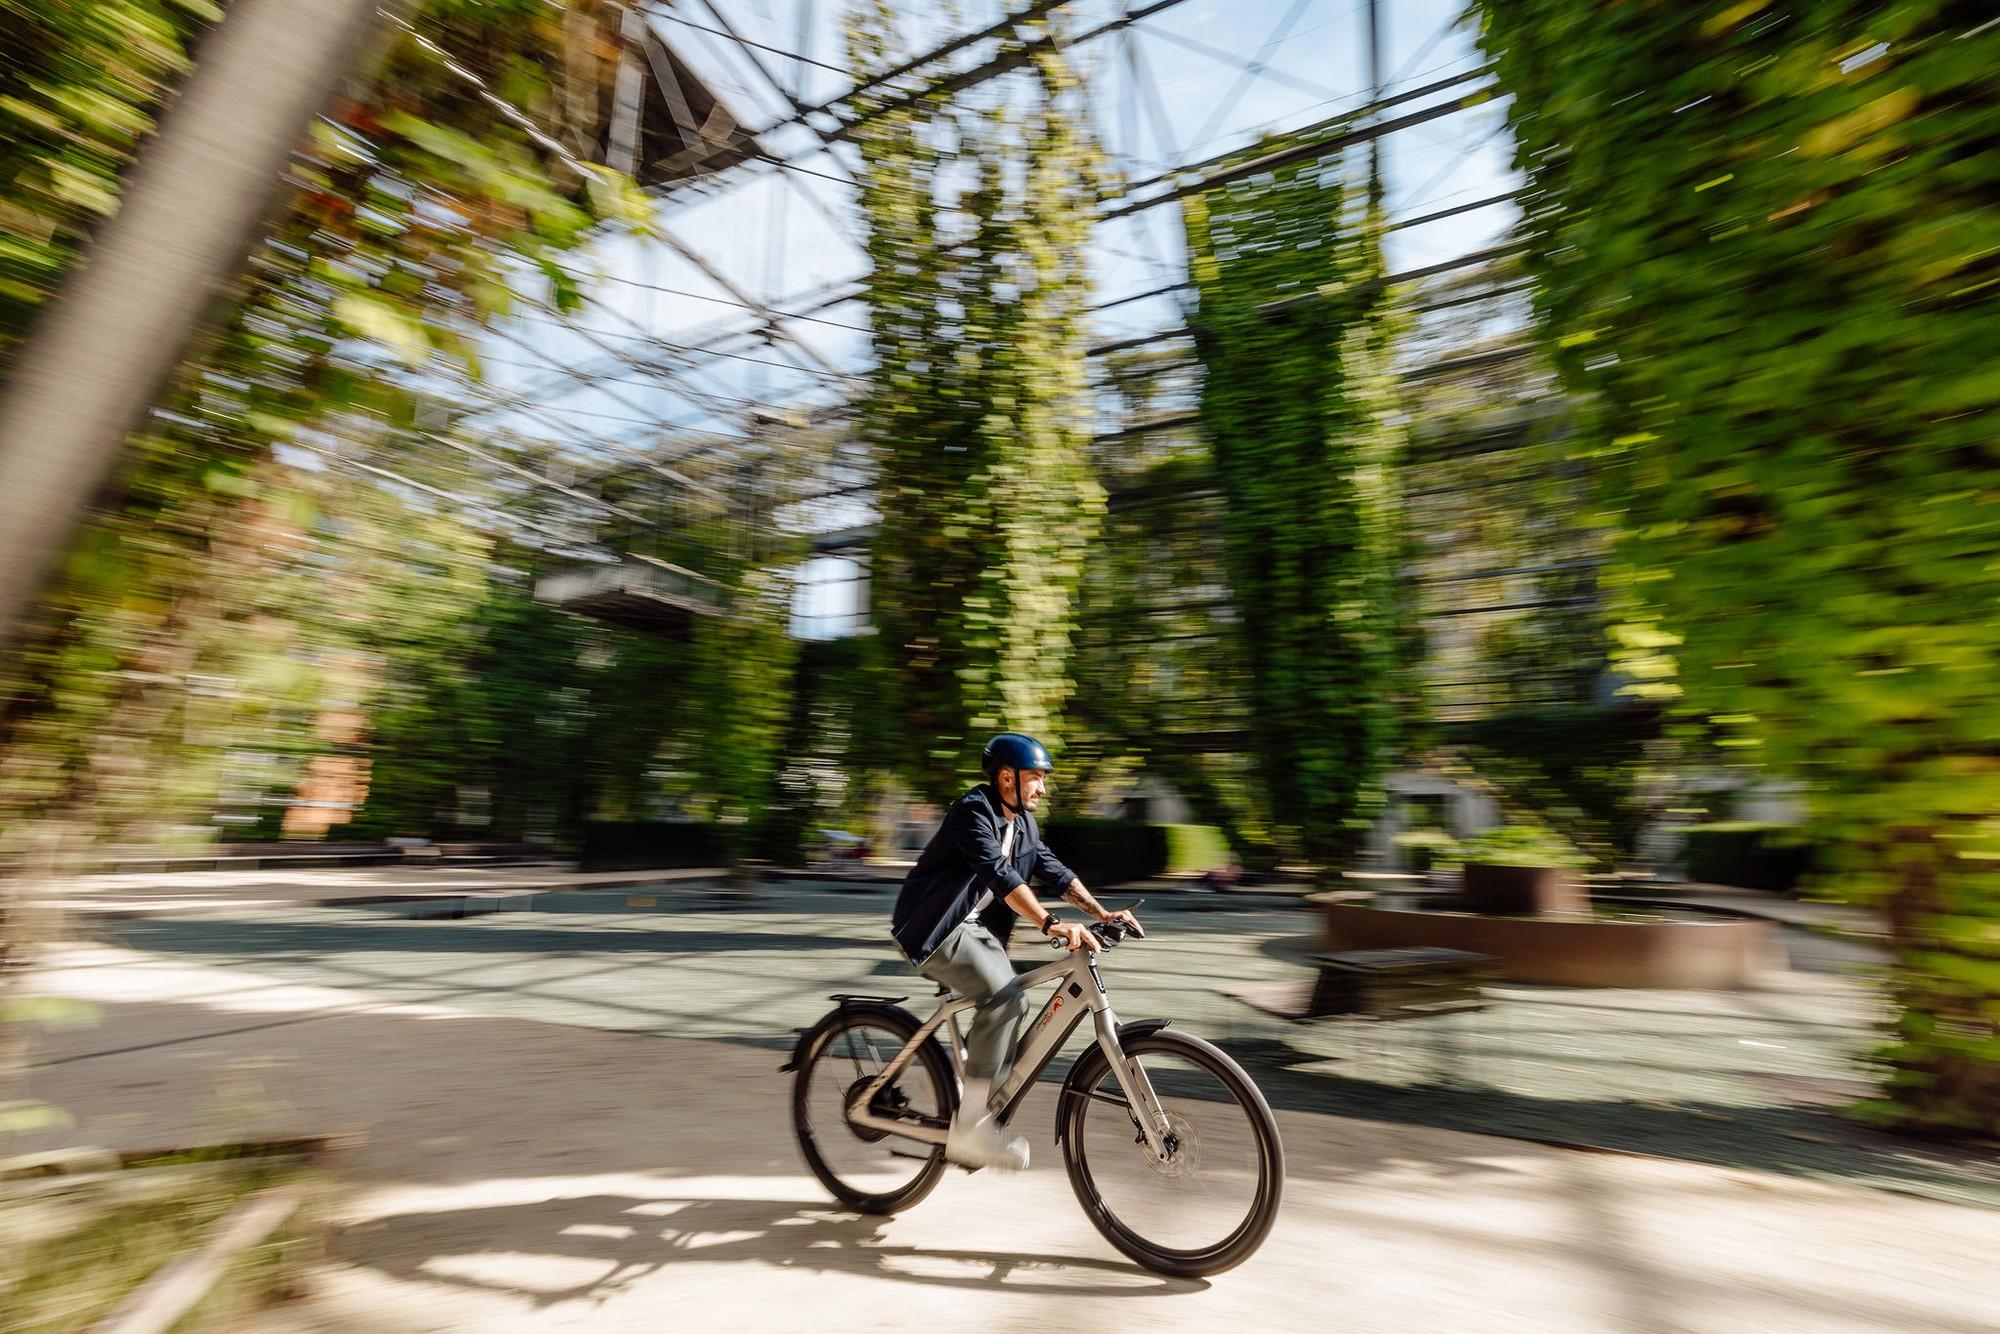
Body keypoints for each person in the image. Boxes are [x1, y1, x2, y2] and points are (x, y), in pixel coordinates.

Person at [890, 732, 1143, 1171]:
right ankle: (970, 1128)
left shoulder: (1023, 824)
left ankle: (960, 1073)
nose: (1043, 787)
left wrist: (1103, 912)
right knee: (1008, 998)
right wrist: (1050, 923)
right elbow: (1000, 876)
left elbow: (1054, 871)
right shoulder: (974, 812)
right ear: (1007, 778)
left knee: (1018, 992)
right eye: (1037, 778)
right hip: (935, 928)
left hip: (978, 933)